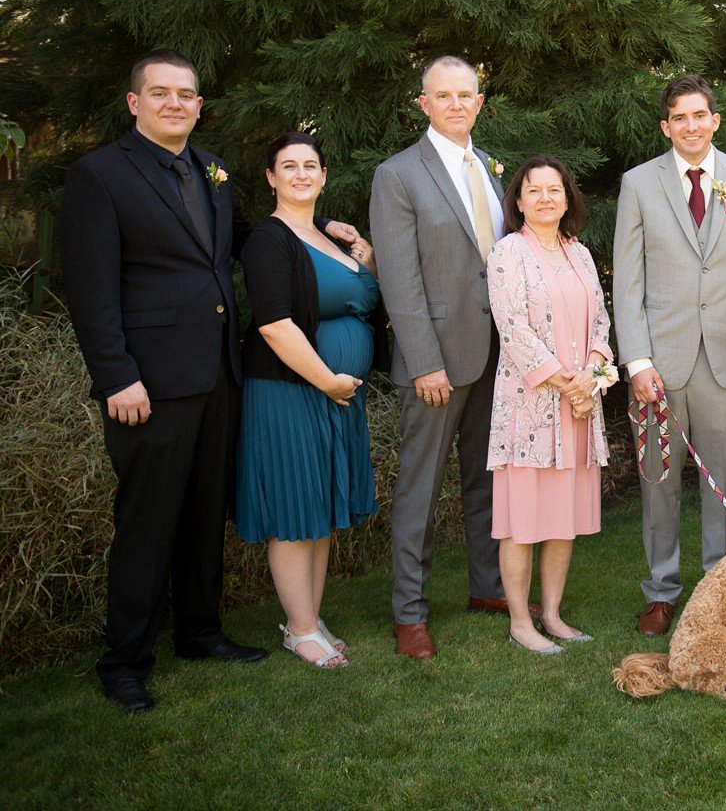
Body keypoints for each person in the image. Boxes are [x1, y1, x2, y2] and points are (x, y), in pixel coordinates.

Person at [60, 49, 359, 712]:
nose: (175, 103)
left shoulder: (211, 170)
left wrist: (319, 231)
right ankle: (126, 661)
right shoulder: (100, 175)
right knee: (147, 521)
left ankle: (200, 632)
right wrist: (117, 376)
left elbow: (237, 239)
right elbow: (90, 288)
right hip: (150, 384)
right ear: (134, 102)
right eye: (160, 93)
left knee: (202, 516)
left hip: (219, 375)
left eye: (186, 95)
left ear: (199, 106)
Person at [613, 74, 726, 636]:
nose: (690, 126)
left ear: (715, 120)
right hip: (658, 363)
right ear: (665, 126)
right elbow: (627, 280)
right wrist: (635, 361)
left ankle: (719, 591)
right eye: (678, 117)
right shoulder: (638, 184)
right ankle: (660, 590)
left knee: (722, 481)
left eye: (699, 115)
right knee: (657, 481)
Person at [370, 56, 518, 659]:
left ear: (479, 103)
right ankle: (410, 612)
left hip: (495, 353)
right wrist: (423, 360)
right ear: (423, 103)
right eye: (444, 95)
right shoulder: (398, 174)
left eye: (466, 95)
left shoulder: (486, 166)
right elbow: (400, 282)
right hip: (434, 360)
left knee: (487, 478)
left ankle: (486, 586)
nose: (456, 104)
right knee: (420, 487)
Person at [235, 132, 380, 668]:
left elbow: (360, 298)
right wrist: (327, 380)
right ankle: (298, 629)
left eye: (310, 166)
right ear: (271, 178)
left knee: (318, 509)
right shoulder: (269, 240)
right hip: (292, 391)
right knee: (296, 509)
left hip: (335, 395)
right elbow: (274, 325)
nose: (301, 174)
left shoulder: (326, 237)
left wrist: (364, 255)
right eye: (288, 166)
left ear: (323, 177)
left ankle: (311, 619)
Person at [486, 156, 614, 655]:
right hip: (530, 404)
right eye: (533, 190)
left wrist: (594, 372)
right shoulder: (507, 253)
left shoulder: (579, 253)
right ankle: (521, 621)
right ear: (518, 201)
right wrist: (565, 380)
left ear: (567, 198)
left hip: (580, 404)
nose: (544, 198)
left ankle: (554, 615)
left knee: (562, 515)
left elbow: (602, 319)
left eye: (554, 190)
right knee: (523, 518)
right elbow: (512, 326)